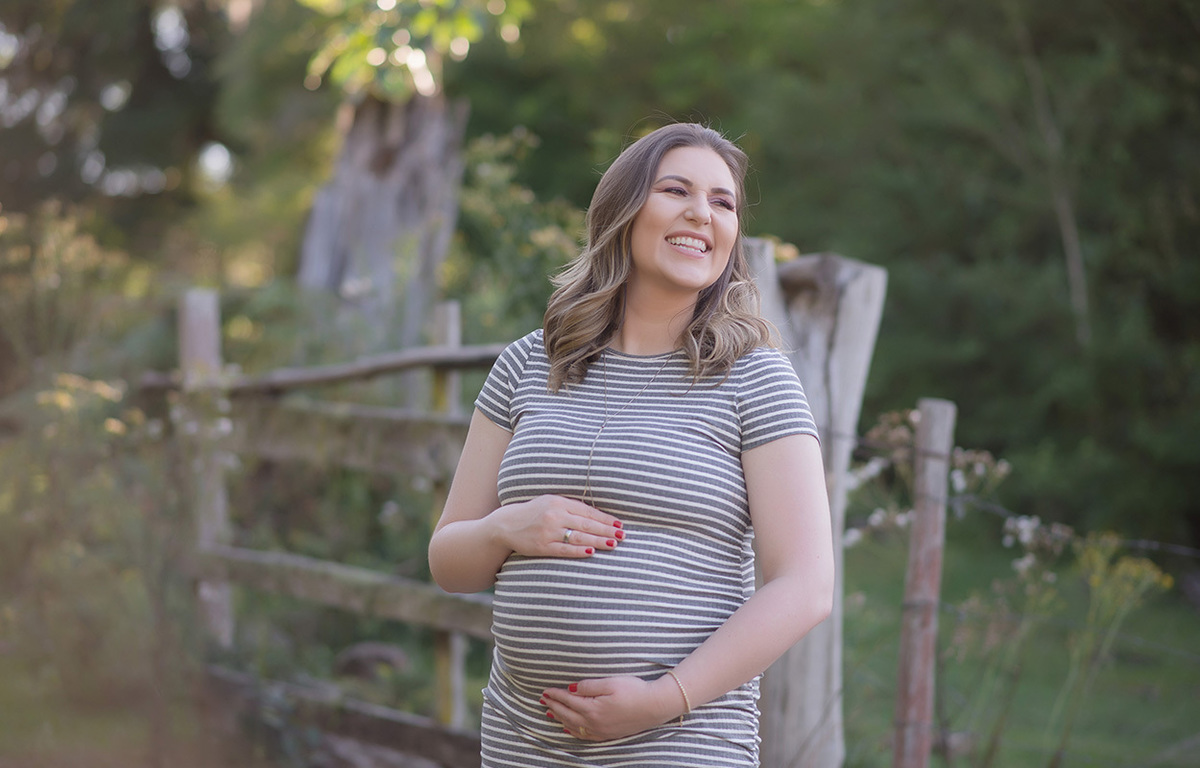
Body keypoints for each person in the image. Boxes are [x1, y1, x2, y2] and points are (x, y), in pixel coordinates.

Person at [428, 122, 834, 767]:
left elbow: (806, 585)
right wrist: (507, 528)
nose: (702, 213)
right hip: (521, 744)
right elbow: (450, 565)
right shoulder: (529, 364)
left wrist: (663, 698)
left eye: (723, 202)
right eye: (677, 190)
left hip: (680, 742)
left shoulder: (754, 376)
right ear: (623, 211)